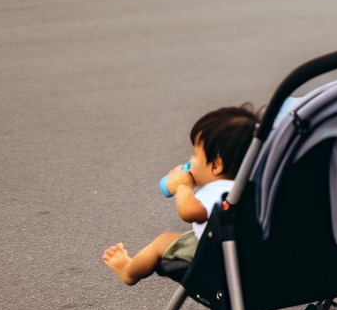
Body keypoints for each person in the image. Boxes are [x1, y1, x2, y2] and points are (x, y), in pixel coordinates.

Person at [103, 105, 257, 285]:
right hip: (254, 251)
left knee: (163, 242)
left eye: (195, 155)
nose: (190, 160)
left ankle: (129, 271)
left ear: (216, 165)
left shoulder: (220, 190)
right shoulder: (255, 186)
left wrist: (182, 186)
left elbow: (190, 212)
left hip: (218, 254)